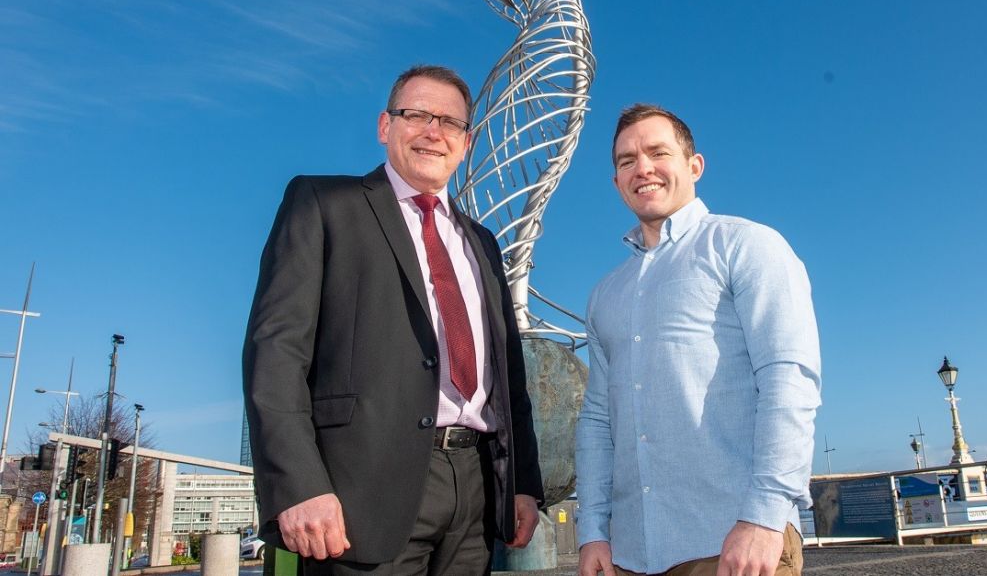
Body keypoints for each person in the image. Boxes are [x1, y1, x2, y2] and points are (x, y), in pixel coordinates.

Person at [243, 64, 544, 576]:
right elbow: (276, 353)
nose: (433, 131)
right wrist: (298, 484)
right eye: (417, 115)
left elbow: (509, 377)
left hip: (475, 490)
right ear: (385, 127)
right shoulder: (323, 205)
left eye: (449, 122)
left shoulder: (483, 244)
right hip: (361, 490)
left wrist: (522, 484)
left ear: (466, 143)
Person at [576, 104, 821, 576]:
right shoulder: (605, 293)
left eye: (656, 152)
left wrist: (765, 517)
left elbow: (788, 379)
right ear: (615, 182)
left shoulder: (746, 246)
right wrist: (592, 531)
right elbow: (596, 420)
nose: (642, 168)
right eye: (626, 161)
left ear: (694, 166)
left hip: (732, 540)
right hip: (629, 553)